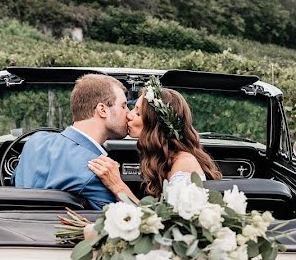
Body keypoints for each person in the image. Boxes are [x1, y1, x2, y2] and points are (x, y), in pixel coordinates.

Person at [13, 74, 131, 210]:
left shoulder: (34, 141)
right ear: (103, 110)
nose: (128, 113)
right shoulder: (97, 170)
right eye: (123, 106)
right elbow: (121, 219)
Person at [88, 85, 221, 201]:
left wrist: (117, 186)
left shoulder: (184, 162)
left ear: (154, 124)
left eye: (138, 113)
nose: (129, 115)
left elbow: (168, 223)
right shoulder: (163, 158)